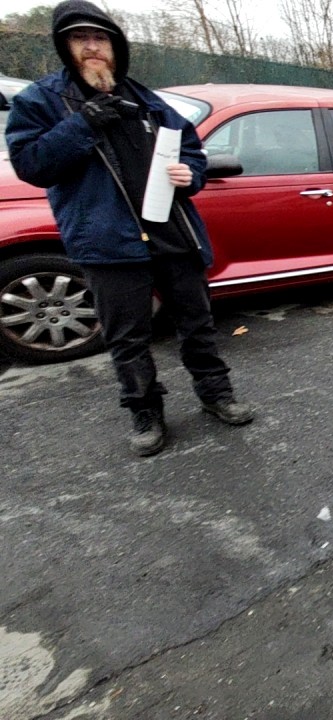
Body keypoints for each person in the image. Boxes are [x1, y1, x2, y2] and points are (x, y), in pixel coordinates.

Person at [5, 0, 253, 457]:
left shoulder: (146, 100)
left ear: (116, 47)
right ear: (65, 47)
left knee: (197, 324)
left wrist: (190, 174)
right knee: (128, 337)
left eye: (100, 39)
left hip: (172, 232)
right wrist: (82, 123)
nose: (92, 47)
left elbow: (192, 151)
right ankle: (145, 412)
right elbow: (31, 165)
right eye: (81, 39)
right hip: (108, 242)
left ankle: (216, 395)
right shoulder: (41, 101)